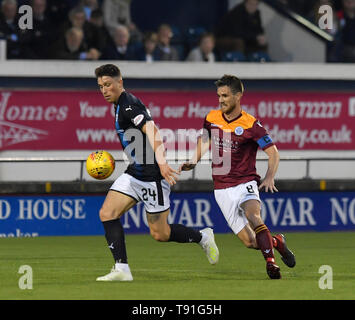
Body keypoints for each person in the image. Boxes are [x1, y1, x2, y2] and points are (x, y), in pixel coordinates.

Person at [94, 64, 219, 281]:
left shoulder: (128, 105)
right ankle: (121, 269)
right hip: (135, 174)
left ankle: (202, 237)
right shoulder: (119, 105)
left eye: (108, 85)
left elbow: (152, 130)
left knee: (160, 234)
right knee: (107, 213)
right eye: (100, 86)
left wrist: (162, 164)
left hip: (152, 177)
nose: (104, 90)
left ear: (119, 82)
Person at [179, 75, 296, 279]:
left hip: (245, 182)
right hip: (222, 189)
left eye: (225, 95)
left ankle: (271, 264)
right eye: (219, 96)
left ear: (238, 96)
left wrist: (269, 177)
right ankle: (277, 242)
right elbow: (205, 141)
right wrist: (194, 160)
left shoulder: (251, 124)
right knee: (251, 242)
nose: (221, 100)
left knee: (253, 216)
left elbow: (273, 153)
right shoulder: (211, 118)